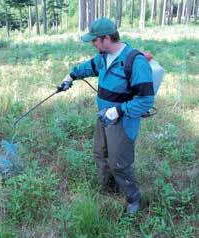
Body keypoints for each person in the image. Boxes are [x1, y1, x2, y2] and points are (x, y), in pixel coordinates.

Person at [57, 17, 154, 215]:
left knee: (119, 162)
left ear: (107, 38)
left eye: (94, 40)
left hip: (123, 120)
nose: (92, 44)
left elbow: (145, 100)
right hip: (103, 116)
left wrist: (117, 110)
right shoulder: (103, 56)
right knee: (101, 154)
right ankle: (109, 187)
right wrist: (70, 76)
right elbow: (88, 66)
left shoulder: (134, 61)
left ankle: (134, 199)